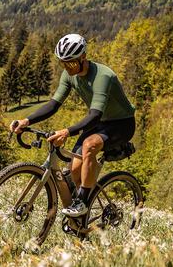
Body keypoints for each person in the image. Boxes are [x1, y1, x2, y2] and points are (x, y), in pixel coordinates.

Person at [10, 33, 136, 216]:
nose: (66, 67)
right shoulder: (69, 75)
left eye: (70, 63)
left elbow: (94, 115)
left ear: (83, 57)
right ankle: (82, 222)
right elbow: (53, 104)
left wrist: (67, 132)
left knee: (89, 145)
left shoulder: (103, 76)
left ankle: (83, 203)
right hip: (99, 123)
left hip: (121, 124)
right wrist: (26, 121)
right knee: (74, 170)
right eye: (63, 63)